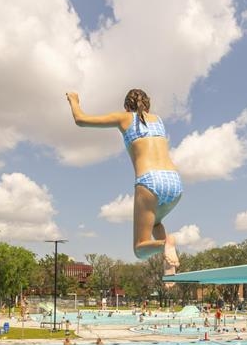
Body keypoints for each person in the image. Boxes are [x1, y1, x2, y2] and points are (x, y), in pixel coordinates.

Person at [66, 89, 182, 278]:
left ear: (126, 106)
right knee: (156, 223)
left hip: (150, 181)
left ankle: (165, 244)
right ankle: (169, 266)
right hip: (174, 181)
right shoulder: (158, 120)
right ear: (147, 104)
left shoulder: (124, 118)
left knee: (139, 248)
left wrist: (74, 100)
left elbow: (80, 119)